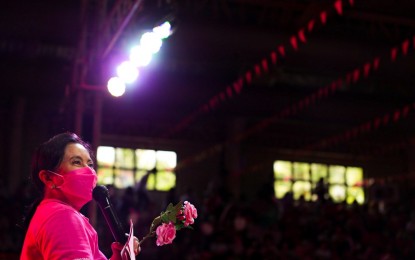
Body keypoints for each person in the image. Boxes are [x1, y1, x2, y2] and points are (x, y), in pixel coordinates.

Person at [20, 132, 140, 259]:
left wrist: (121, 255)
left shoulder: (51, 212)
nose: (89, 171)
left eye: (90, 165)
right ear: (48, 178)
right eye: (76, 162)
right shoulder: (63, 217)